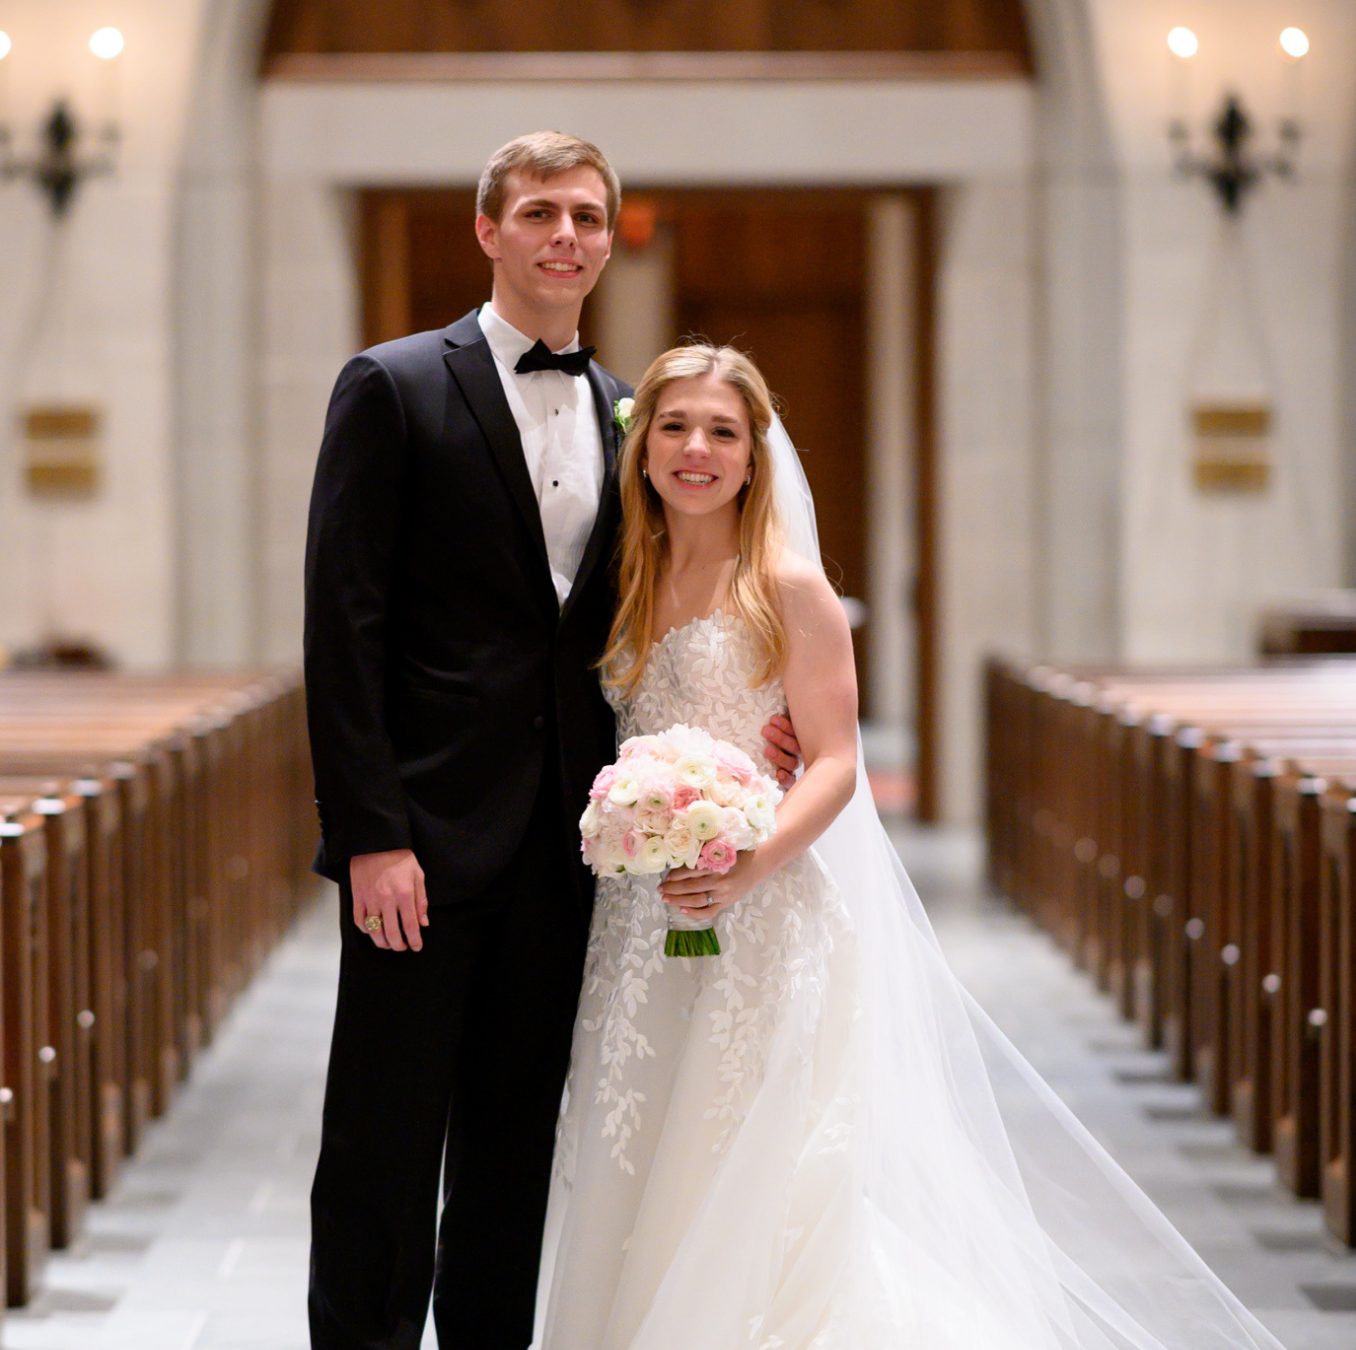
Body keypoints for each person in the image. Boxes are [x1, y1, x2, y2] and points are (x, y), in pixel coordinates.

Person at [539, 344, 1286, 1350]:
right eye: (674, 427)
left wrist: (746, 863)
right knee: (637, 1141)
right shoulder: (622, 582)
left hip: (759, 905)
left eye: (722, 431)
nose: (696, 450)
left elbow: (837, 763)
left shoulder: (788, 588)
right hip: (638, 923)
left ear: (755, 456)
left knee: (750, 1159)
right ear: (643, 451)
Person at [302, 134, 800, 1349]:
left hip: (576, 850)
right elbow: (342, 625)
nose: (565, 235)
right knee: (384, 1143)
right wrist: (372, 835)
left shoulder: (633, 409)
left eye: (586, 215)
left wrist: (751, 724)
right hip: (420, 839)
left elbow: (665, 604)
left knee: (517, 1144)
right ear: (489, 231)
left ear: (609, 235)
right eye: (539, 213)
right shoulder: (394, 384)